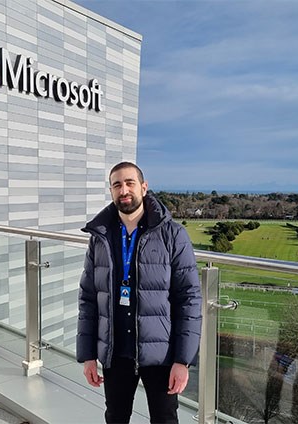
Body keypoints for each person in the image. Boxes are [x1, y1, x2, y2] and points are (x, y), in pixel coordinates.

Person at [76, 161, 202, 424]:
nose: (124, 190)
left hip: (161, 353)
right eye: (117, 185)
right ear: (111, 191)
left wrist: (183, 360)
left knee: (165, 419)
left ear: (144, 188)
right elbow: (88, 297)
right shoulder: (100, 236)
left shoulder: (172, 234)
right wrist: (87, 354)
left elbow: (188, 299)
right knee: (116, 417)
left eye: (130, 183)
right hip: (116, 351)